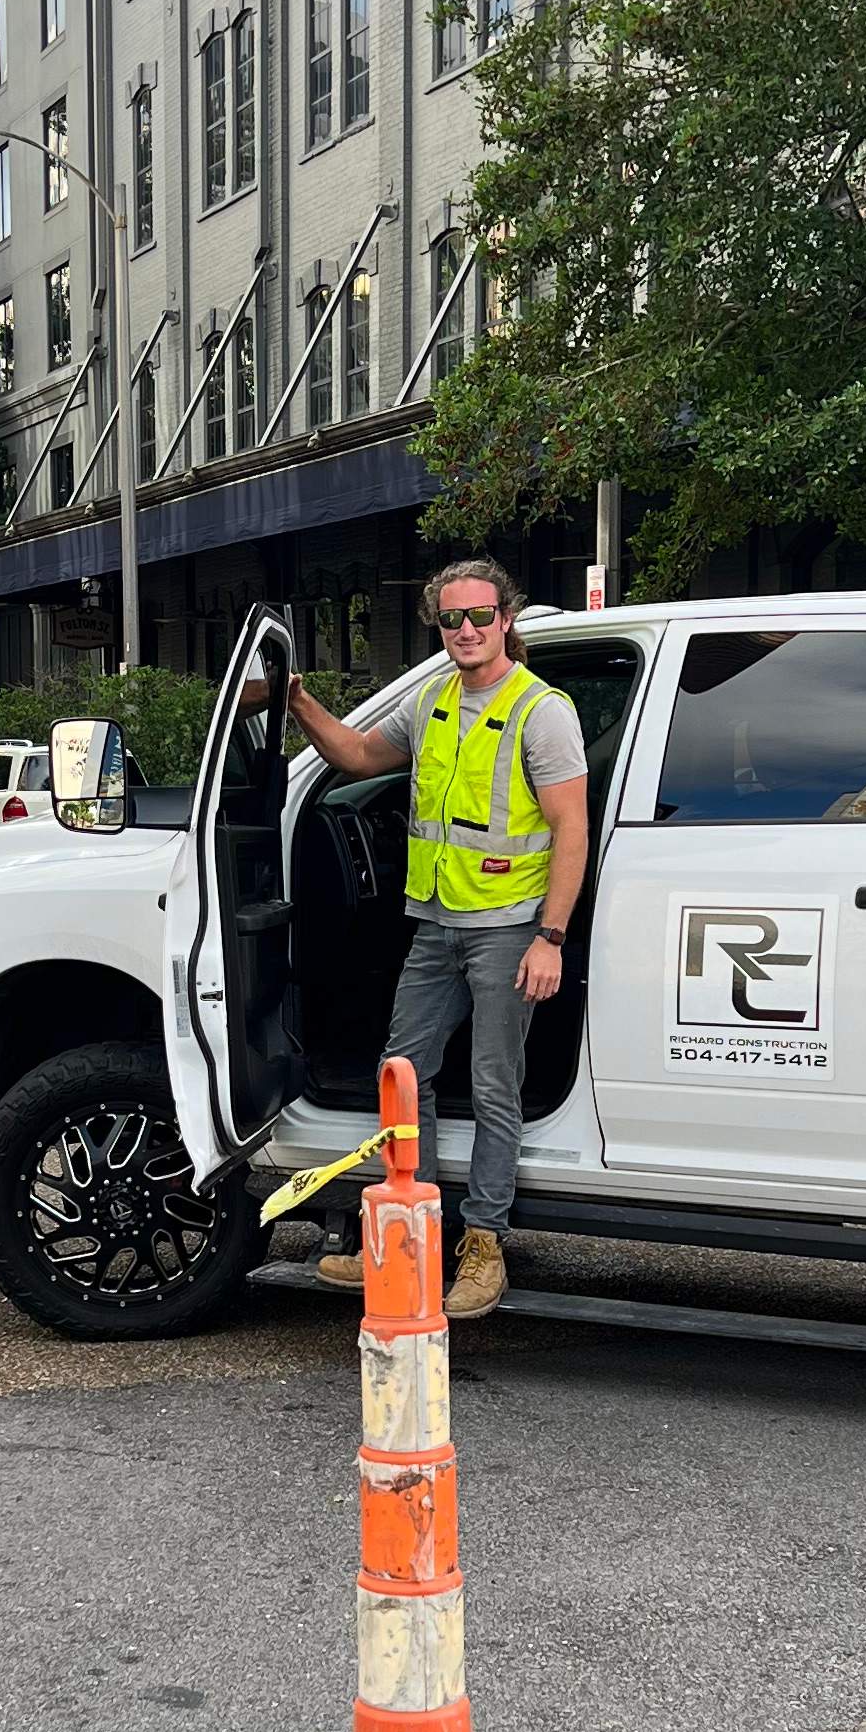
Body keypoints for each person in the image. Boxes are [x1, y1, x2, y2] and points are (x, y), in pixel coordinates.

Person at [285, 556, 588, 1321]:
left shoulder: (539, 710)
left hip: (507, 928)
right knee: (401, 1076)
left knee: (494, 1088)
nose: (466, 630)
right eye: (450, 619)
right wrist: (296, 701)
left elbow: (571, 828)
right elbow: (355, 758)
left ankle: (483, 1244)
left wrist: (549, 936)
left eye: (480, 616)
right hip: (435, 925)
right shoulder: (431, 701)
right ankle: (397, 1235)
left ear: (507, 619)